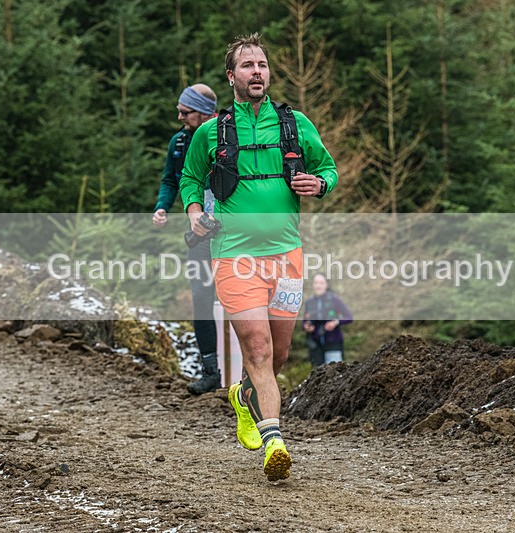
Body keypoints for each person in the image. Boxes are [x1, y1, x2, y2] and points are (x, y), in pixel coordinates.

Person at [179, 33, 338, 481]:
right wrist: (194, 214)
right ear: (231, 77)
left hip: (286, 256)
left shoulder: (295, 124)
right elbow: (191, 180)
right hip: (233, 255)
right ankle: (275, 442)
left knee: (280, 353)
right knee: (258, 346)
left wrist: (320, 184)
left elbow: (328, 169)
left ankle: (244, 396)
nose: (257, 72)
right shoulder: (212, 132)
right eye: (248, 65)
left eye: (263, 65)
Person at [152, 83, 221, 395]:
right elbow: (170, 179)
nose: (179, 116)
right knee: (201, 298)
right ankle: (211, 372)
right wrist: (162, 207)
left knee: (240, 299)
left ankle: (250, 372)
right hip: (199, 234)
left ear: (206, 113)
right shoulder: (179, 142)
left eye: (185, 111)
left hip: (233, 232)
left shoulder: (226, 136)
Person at [302, 273, 353, 366]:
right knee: (318, 375)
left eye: (321, 283)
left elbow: (349, 317)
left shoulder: (334, 299)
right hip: (315, 345)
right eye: (316, 283)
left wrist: (335, 322)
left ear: (326, 285)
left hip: (333, 342)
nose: (318, 285)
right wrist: (306, 326)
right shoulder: (309, 302)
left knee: (334, 373)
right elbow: (305, 321)